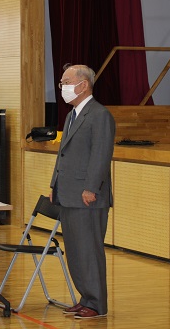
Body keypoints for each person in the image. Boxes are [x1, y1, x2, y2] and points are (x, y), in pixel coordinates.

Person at [49, 64, 115, 319]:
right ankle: (85, 297)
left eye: (66, 81)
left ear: (83, 84)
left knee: (89, 250)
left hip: (87, 196)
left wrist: (91, 188)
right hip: (68, 193)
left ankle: (97, 304)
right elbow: (64, 154)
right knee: (76, 251)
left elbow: (101, 155)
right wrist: (55, 184)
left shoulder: (100, 115)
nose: (62, 87)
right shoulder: (72, 115)